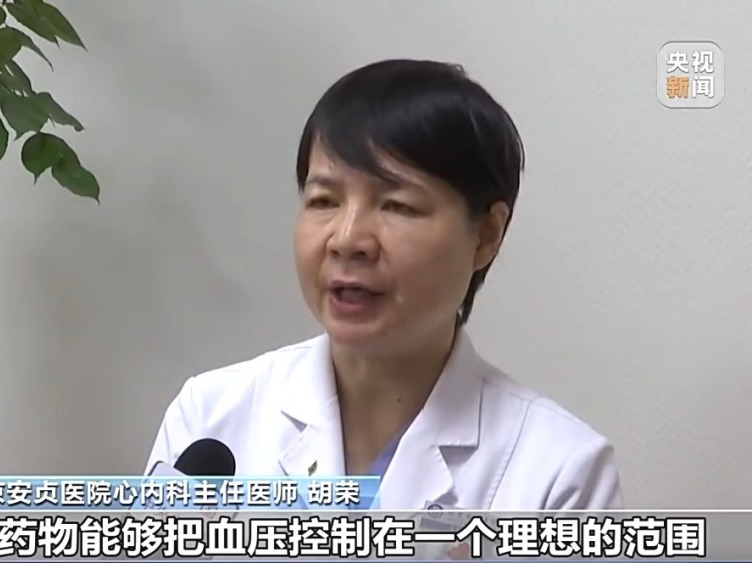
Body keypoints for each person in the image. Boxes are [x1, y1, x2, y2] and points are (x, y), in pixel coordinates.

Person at [145, 59, 623, 510]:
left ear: (486, 235)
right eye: (324, 201)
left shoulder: (559, 474)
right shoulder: (211, 419)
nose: (347, 239)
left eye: (398, 206)